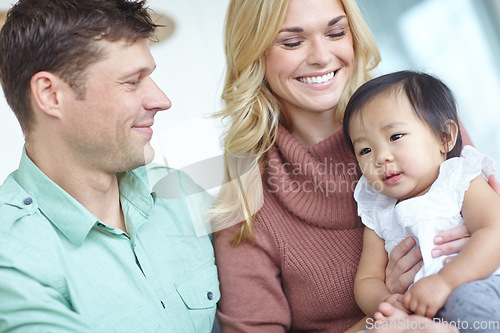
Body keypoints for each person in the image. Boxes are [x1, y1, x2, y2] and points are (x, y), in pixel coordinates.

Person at [211, 0, 496, 331]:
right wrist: (383, 319)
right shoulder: (244, 207)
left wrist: (469, 262)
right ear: (253, 54)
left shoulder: (426, 126)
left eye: (335, 32)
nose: (321, 55)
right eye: (292, 41)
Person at [0, 0, 218, 332]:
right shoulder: (11, 256)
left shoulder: (181, 194)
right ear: (50, 95)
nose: (161, 100)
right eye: (132, 82)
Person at [344, 71, 500, 329]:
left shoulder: (459, 178)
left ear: (445, 137)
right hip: (422, 311)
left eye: (395, 137)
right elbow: (367, 278)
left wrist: (445, 282)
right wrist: (385, 302)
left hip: (480, 286)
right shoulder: (378, 209)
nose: (381, 156)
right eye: (365, 150)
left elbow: (494, 231)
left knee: (467, 301)